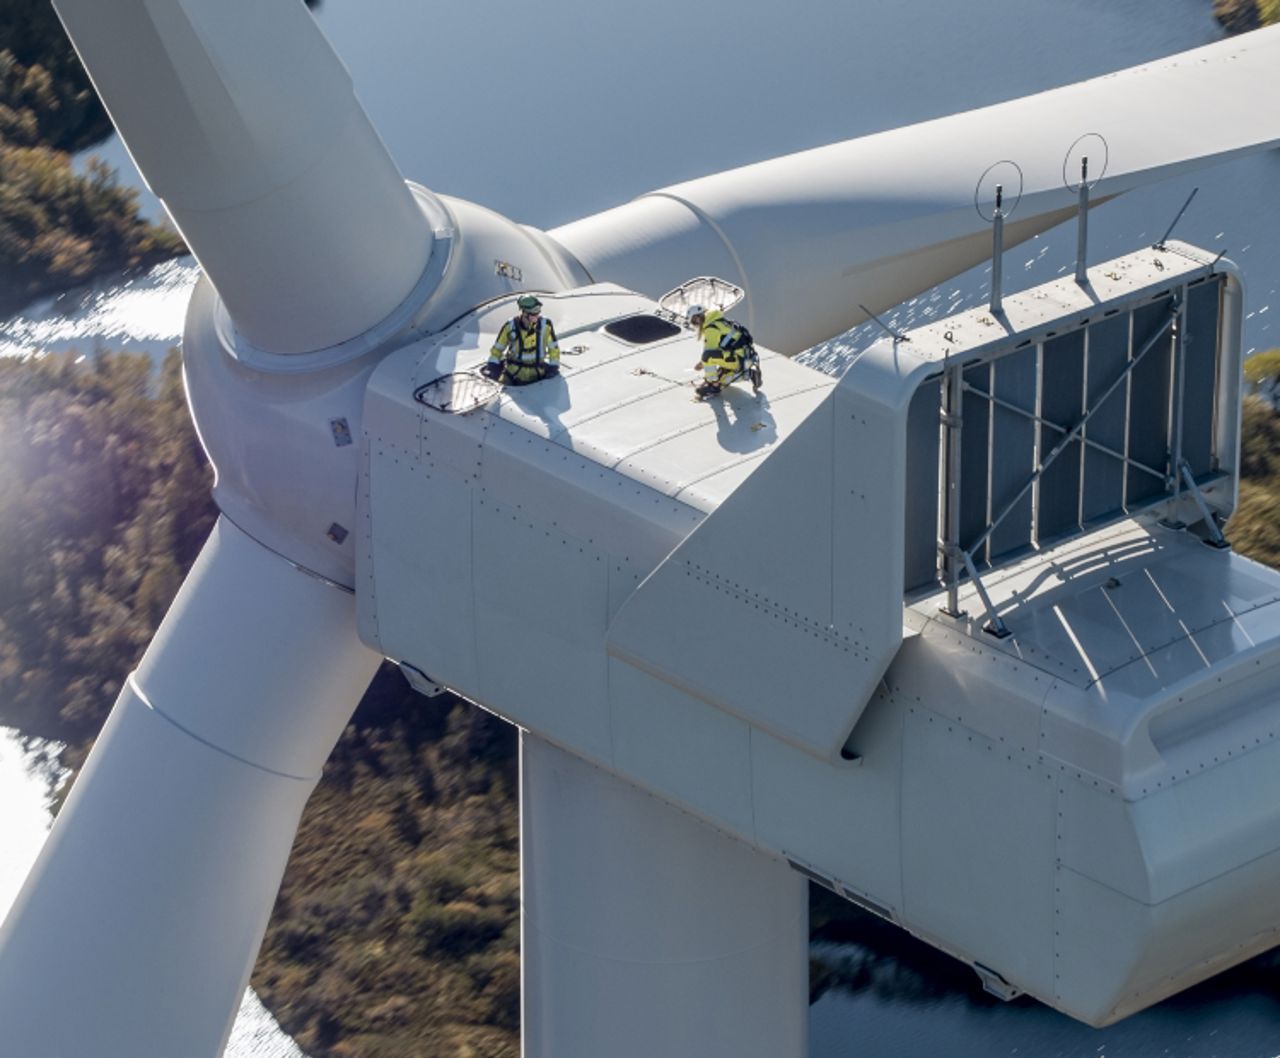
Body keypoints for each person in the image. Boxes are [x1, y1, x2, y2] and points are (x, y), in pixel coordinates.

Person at [481, 294, 562, 384]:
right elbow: (497, 349)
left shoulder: (546, 325)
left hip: (537, 375)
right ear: (524, 313)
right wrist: (493, 366)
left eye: (538, 313)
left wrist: (553, 367)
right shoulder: (510, 326)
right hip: (513, 374)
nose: (537, 316)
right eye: (533, 314)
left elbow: (554, 349)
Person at [687, 304, 762, 398]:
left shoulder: (711, 328)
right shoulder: (716, 320)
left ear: (699, 317)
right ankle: (752, 374)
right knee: (722, 379)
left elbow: (709, 352)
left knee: (707, 357)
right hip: (742, 357)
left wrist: (701, 364)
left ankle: (714, 387)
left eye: (694, 321)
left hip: (737, 359)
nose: (696, 324)